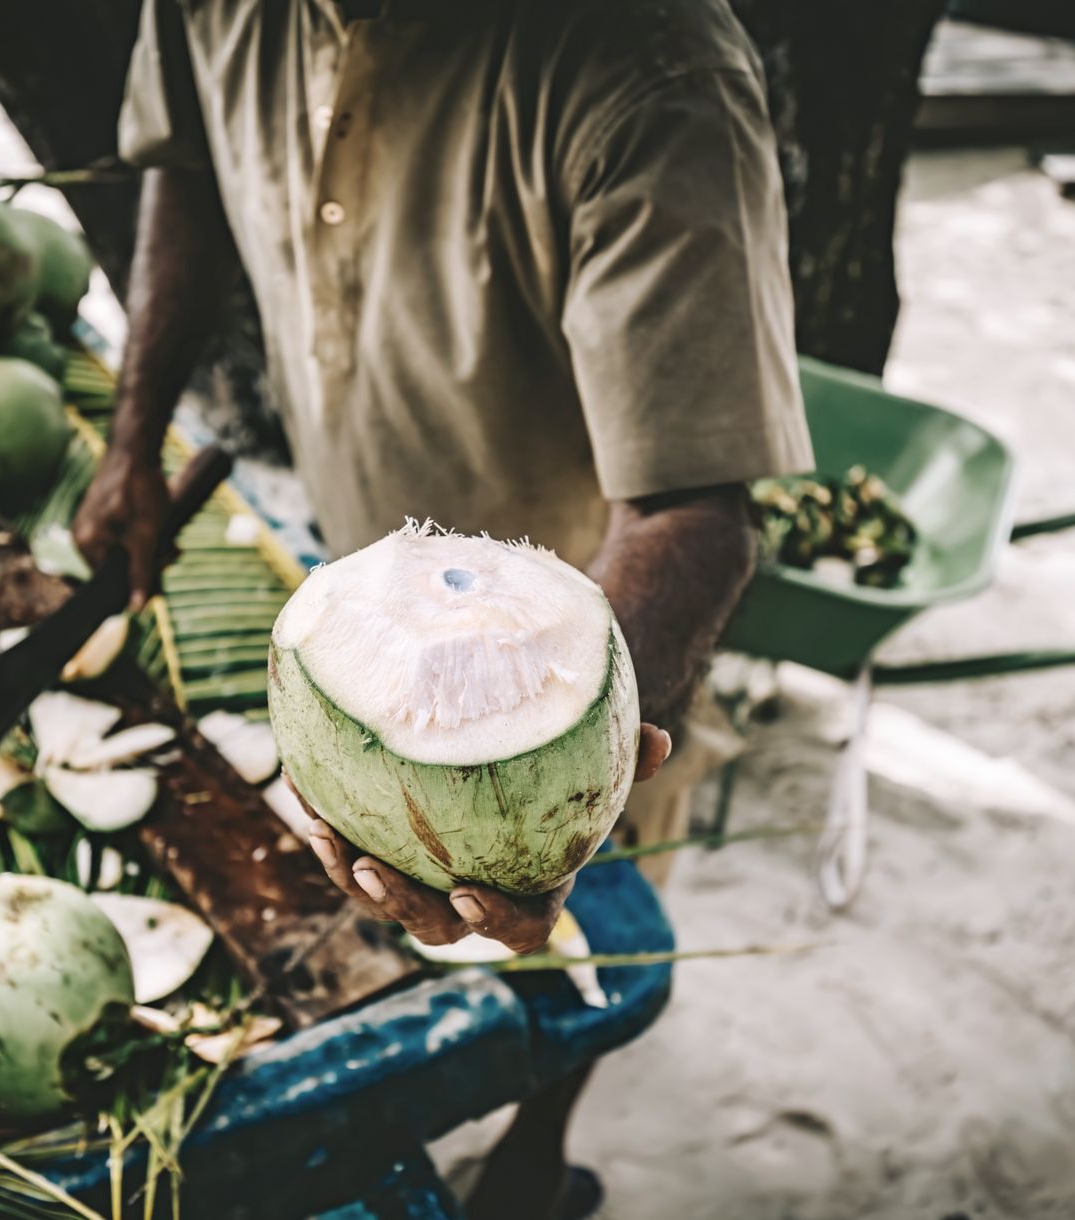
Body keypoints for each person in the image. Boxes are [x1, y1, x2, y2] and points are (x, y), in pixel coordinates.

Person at [73, 2, 814, 1215]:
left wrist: (558, 766)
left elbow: (695, 506)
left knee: (585, 925)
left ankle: (535, 1149)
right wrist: (132, 437)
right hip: (354, 546)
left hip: (609, 608)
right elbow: (190, 173)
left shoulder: (650, 67)